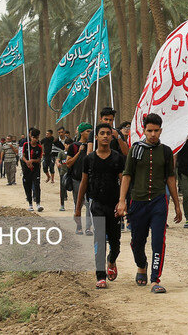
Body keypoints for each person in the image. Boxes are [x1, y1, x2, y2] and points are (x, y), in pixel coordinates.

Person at [116, 113, 183, 294]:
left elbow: (170, 178)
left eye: (156, 131)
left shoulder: (167, 151)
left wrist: (177, 204)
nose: (153, 134)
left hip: (159, 202)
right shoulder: (135, 149)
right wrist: (122, 201)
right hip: (137, 202)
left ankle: (155, 279)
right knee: (136, 242)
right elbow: (127, 175)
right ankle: (141, 265)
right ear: (144, 130)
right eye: (149, 130)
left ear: (161, 131)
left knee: (158, 241)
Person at [75, 123, 126, 289]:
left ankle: (111, 261)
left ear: (111, 137)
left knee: (115, 242)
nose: (105, 136)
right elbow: (84, 182)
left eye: (108, 134)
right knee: (99, 240)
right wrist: (77, 208)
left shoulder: (118, 158)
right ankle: (100, 275)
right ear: (96, 137)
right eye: (102, 133)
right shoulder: (89, 159)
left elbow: (123, 180)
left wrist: (123, 202)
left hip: (114, 205)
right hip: (96, 204)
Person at [67, 123, 93, 234]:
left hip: (90, 180)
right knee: (78, 203)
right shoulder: (73, 146)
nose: (90, 133)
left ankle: (88, 228)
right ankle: (79, 227)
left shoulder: (92, 145)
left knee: (89, 205)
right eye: (87, 131)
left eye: (91, 131)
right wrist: (79, 152)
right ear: (81, 132)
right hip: (77, 179)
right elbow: (68, 163)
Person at [21, 128, 44, 212]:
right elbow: (23, 156)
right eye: (33, 137)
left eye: (36, 138)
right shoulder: (26, 145)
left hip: (36, 169)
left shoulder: (39, 147)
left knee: (37, 185)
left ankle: (38, 204)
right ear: (31, 137)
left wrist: (32, 161)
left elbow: (39, 159)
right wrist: (27, 161)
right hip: (27, 169)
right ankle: (30, 204)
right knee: (27, 185)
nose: (34, 139)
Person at [56, 138, 73, 211]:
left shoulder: (73, 153)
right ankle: (62, 205)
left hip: (72, 173)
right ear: (64, 145)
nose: (68, 146)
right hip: (63, 173)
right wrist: (58, 163)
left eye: (70, 145)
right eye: (67, 144)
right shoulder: (61, 153)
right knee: (62, 189)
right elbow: (57, 160)